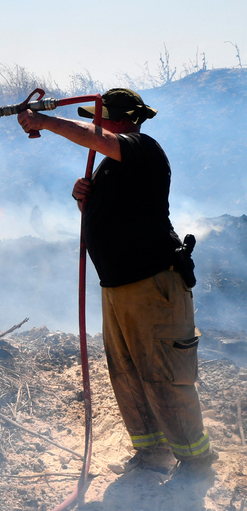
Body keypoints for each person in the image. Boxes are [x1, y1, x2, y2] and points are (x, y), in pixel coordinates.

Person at [17, 88, 214, 478]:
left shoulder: (143, 148)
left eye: (99, 116)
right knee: (125, 371)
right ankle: (150, 451)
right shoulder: (110, 165)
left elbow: (94, 139)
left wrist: (44, 121)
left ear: (119, 119)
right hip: (117, 288)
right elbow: (110, 214)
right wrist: (82, 199)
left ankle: (195, 459)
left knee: (164, 372)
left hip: (153, 285)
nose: (94, 122)